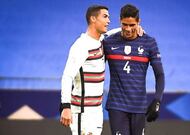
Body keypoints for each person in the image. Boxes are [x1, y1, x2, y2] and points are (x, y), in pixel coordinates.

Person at [103, 4, 165, 135]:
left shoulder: (149, 42)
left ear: (139, 22)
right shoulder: (108, 43)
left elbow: (159, 75)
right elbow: (95, 39)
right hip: (117, 105)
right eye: (125, 24)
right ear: (120, 21)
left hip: (139, 107)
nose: (128, 29)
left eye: (132, 25)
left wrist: (157, 100)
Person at [60, 5, 110, 135]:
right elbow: (67, 76)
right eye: (105, 17)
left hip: (97, 111)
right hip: (83, 112)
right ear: (93, 18)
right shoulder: (81, 46)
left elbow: (112, 32)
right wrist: (65, 106)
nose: (108, 21)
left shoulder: (100, 40)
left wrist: (133, 29)